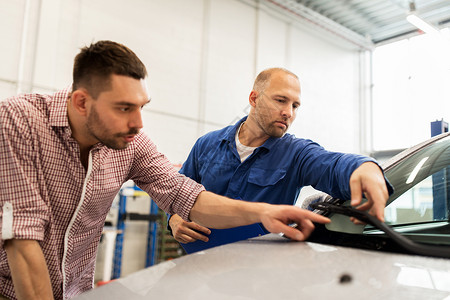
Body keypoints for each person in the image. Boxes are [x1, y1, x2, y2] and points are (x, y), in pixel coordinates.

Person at [0, 42, 331, 300]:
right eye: (124, 108)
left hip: (78, 292)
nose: (138, 123)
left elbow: (186, 195)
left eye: (142, 106)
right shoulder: (20, 121)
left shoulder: (131, 142)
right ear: (82, 102)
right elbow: (24, 237)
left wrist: (264, 212)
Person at [168, 67, 391, 246]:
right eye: (280, 100)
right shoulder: (206, 145)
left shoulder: (296, 153)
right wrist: (174, 220)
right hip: (199, 268)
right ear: (254, 99)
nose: (289, 112)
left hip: (259, 276)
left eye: (295, 105)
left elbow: (331, 164)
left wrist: (365, 167)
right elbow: (176, 195)